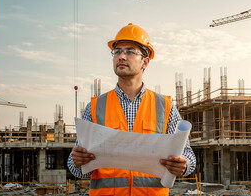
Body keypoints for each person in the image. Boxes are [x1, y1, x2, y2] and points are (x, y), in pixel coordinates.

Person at [67, 23, 196, 196]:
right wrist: (77, 161)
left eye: (129, 51)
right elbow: (76, 166)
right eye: (117, 51)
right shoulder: (96, 106)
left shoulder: (164, 106)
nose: (121, 56)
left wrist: (183, 164)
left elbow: (188, 154)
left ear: (145, 61)